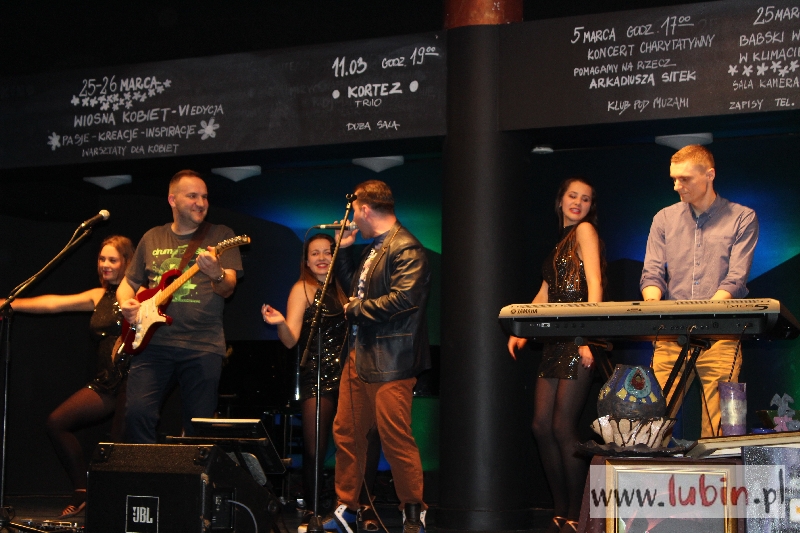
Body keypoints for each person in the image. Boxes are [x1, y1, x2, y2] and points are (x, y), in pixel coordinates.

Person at [318, 180, 430, 533]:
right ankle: (347, 508)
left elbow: (405, 299)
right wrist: (343, 251)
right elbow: (355, 289)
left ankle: (413, 510)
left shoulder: (406, 247)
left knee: (395, 437)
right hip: (361, 354)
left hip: (392, 360)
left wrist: (356, 309)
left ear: (365, 209)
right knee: (347, 433)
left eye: (354, 212)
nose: (352, 220)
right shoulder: (372, 248)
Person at [11, 235, 135, 518]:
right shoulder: (98, 296)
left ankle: (112, 508)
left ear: (127, 263)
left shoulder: (139, 295)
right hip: (106, 382)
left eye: (112, 259)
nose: (104, 264)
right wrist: (11, 303)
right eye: (101, 259)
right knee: (57, 422)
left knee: (117, 445)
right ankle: (82, 490)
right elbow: (54, 304)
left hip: (134, 380)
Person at [640, 144, 758, 438]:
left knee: (722, 430)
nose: (677, 186)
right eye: (674, 179)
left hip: (721, 336)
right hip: (671, 335)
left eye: (685, 179)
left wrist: (707, 317)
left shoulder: (742, 217)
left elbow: (735, 280)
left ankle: (719, 468)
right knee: (652, 425)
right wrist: (653, 307)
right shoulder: (664, 218)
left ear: (710, 175)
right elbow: (652, 274)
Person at [508, 177, 605, 533]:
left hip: (577, 337)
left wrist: (586, 337)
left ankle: (578, 513)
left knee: (563, 426)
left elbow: (595, 283)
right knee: (541, 426)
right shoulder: (559, 242)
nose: (578, 202)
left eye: (585, 198)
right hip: (555, 341)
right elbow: (545, 292)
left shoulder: (585, 232)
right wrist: (520, 329)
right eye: (572, 196)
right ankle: (560, 510)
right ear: (560, 199)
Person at [117, 169, 243, 443]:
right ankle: (145, 470)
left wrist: (216, 273)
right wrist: (126, 304)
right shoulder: (152, 237)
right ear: (172, 200)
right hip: (152, 344)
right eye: (193, 196)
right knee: (137, 414)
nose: (201, 203)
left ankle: (192, 472)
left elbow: (228, 288)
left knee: (199, 426)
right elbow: (128, 283)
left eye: (205, 197)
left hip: (202, 345)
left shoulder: (221, 235)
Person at [261, 233, 349, 519]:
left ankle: (345, 505)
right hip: (317, 374)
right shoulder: (302, 288)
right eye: (315, 253)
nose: (322, 258)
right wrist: (280, 323)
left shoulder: (344, 286)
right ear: (307, 262)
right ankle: (313, 510)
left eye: (327, 252)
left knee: (350, 444)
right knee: (315, 448)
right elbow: (290, 340)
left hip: (349, 374)